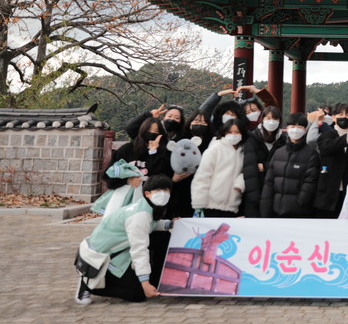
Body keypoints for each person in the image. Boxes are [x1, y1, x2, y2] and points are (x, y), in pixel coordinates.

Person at [75, 175, 175, 305]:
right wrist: (144, 283)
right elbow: (139, 249)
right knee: (137, 294)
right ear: (147, 193)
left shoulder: (145, 206)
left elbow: (150, 225)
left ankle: (156, 280)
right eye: (159, 190)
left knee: (163, 236)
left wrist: (169, 224)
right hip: (100, 258)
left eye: (167, 190)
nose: (163, 193)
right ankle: (89, 284)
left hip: (117, 249)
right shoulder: (139, 215)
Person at [314, 103, 348, 218]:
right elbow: (328, 148)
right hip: (327, 195)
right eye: (340, 114)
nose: (344, 117)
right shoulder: (326, 135)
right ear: (333, 117)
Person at [260, 113, 318, 218]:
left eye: (300, 126)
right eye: (292, 126)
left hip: (298, 212)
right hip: (275, 210)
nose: (295, 129)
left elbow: (310, 182)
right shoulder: (278, 152)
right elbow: (269, 182)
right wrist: (265, 206)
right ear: (287, 128)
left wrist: (301, 202)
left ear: (305, 130)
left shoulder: (311, 154)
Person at [191, 120, 246, 217]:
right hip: (211, 206)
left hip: (233, 207)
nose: (233, 135)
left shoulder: (244, 151)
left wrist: (241, 182)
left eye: (237, 132)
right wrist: (199, 204)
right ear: (224, 133)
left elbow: (247, 171)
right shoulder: (215, 148)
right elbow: (202, 176)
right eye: (230, 132)